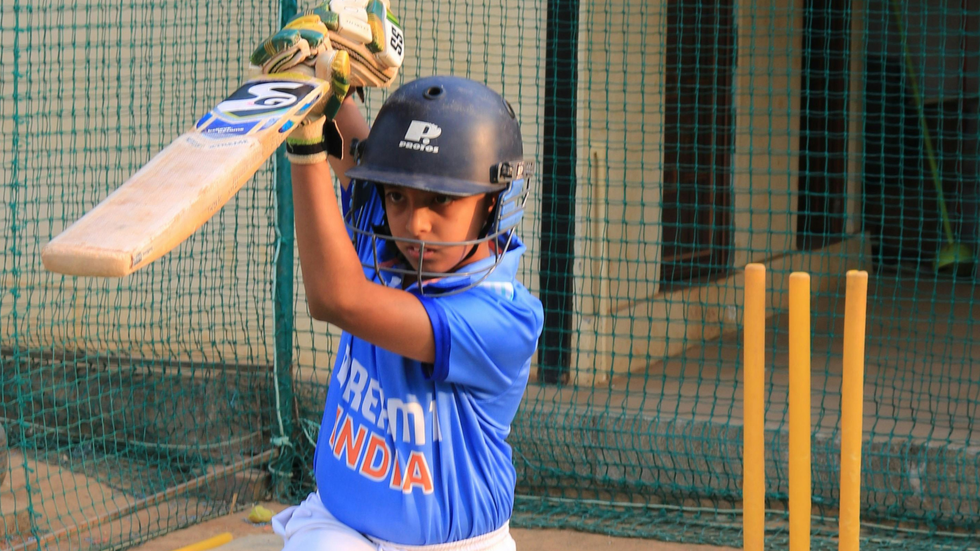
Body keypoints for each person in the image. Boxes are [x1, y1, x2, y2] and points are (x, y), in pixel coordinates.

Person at [249, 2, 544, 549]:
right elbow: (358, 143)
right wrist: (321, 58)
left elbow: (339, 299)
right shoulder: (385, 233)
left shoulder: (505, 316)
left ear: (492, 202)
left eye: (442, 200)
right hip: (339, 526)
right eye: (399, 197)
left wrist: (304, 141)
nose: (417, 223)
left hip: (458, 544)